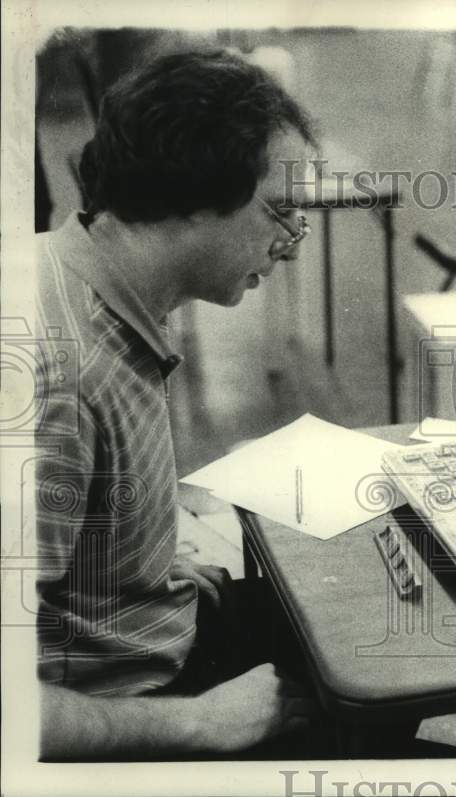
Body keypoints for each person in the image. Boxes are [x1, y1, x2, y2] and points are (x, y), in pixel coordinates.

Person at [34, 49, 322, 760]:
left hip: (154, 628)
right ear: (195, 194)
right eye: (278, 212)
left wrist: (144, 567)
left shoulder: (93, 281)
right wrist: (200, 722)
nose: (289, 243)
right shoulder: (61, 377)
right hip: (141, 711)